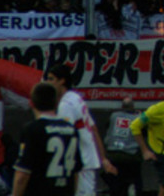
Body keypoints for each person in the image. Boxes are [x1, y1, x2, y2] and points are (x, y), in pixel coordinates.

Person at [46, 63, 117, 196]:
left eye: (51, 79)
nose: (48, 82)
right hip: (87, 160)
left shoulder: (66, 105)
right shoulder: (76, 97)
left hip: (81, 162)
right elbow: (93, 128)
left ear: (62, 80)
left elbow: (65, 136)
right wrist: (103, 158)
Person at [12, 82, 80, 196]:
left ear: (31, 103)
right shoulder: (71, 129)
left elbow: (22, 174)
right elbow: (76, 173)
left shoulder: (33, 129)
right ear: (57, 103)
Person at [102, 98, 143, 196]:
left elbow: (108, 129)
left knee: (115, 185)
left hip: (113, 154)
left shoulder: (113, 116)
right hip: (131, 156)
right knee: (137, 180)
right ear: (133, 107)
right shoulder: (138, 118)